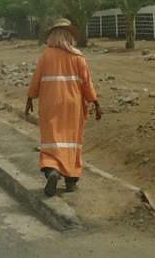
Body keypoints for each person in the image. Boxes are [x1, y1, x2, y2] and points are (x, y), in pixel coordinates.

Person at [25, 18, 102, 197]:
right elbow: (87, 84)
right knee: (71, 140)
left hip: (50, 104)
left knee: (52, 139)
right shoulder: (78, 57)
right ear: (69, 36)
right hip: (73, 106)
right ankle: (70, 180)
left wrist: (29, 99)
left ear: (52, 36)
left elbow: (36, 81)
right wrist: (96, 103)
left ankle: (52, 170)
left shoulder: (45, 56)